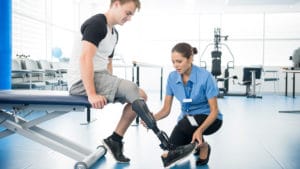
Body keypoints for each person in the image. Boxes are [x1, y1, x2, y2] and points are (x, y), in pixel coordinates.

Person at [68, 0, 196, 167]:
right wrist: (92, 94)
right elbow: (85, 58)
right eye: (127, 13)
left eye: (131, 15)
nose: (129, 18)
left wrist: (110, 85)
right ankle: (168, 147)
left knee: (140, 95)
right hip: (81, 80)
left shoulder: (114, 33)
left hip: (99, 77)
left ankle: (115, 139)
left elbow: (108, 62)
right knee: (131, 89)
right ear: (115, 4)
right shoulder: (97, 23)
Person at [150, 42, 223, 166]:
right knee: (173, 149)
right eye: (173, 62)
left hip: (210, 119)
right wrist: (151, 118)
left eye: (179, 61)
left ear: (190, 59)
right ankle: (202, 145)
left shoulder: (205, 77)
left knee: (186, 122)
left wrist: (200, 130)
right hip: (187, 122)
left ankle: (201, 146)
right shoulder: (172, 78)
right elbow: (166, 109)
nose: (175, 65)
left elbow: (214, 110)